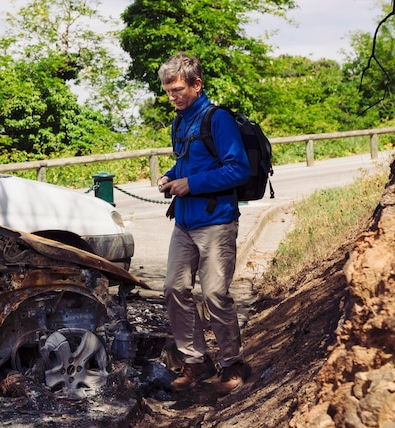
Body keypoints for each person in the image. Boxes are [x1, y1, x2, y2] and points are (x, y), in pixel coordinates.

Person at [156, 52, 252, 395]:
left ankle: (232, 363)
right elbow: (188, 163)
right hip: (183, 222)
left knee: (214, 294)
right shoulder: (179, 121)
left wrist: (191, 184)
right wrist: (172, 176)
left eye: (178, 89)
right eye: (168, 91)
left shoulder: (218, 119)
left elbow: (238, 169)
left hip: (216, 222)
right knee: (174, 289)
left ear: (197, 84)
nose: (172, 97)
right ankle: (195, 361)